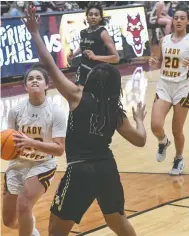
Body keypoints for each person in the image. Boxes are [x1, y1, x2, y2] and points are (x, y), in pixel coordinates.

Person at [23, 5, 147, 236]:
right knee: (118, 222)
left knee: (55, 232)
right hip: (107, 168)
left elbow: (49, 63)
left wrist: (35, 33)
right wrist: (139, 119)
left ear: (92, 80)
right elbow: (140, 141)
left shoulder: (77, 97)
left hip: (80, 171)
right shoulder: (115, 111)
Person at [2, 64, 67, 236]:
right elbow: (11, 140)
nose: (34, 81)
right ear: (26, 86)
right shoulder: (15, 111)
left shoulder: (56, 111)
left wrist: (31, 142)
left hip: (43, 164)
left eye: (39, 78)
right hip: (19, 163)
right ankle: (31, 230)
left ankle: (27, 225)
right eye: (30, 79)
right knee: (8, 221)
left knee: (24, 205)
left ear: (47, 85)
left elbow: (59, 150)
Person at [149, 6, 189, 175]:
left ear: (187, 21)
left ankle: (178, 158)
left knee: (177, 130)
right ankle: (163, 142)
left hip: (182, 89)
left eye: (181, 18)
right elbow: (158, 60)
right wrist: (153, 61)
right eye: (176, 17)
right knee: (156, 126)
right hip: (164, 86)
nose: (178, 20)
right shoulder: (164, 40)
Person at [68, 2, 120, 88]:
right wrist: (73, 55)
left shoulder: (103, 33)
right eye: (90, 14)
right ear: (87, 17)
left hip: (98, 72)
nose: (93, 17)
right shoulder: (83, 32)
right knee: (79, 96)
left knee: (94, 99)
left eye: (96, 15)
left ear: (100, 18)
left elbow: (116, 58)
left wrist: (95, 57)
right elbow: (83, 47)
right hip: (83, 70)